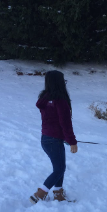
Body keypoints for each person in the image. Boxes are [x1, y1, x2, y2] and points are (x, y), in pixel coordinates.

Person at [30, 70, 78, 204]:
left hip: (46, 139)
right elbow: (65, 124)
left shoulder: (45, 98)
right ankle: (39, 194)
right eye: (63, 81)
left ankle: (58, 194)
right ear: (59, 83)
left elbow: (53, 122)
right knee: (59, 169)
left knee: (59, 167)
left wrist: (64, 138)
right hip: (53, 140)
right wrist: (72, 141)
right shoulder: (60, 101)